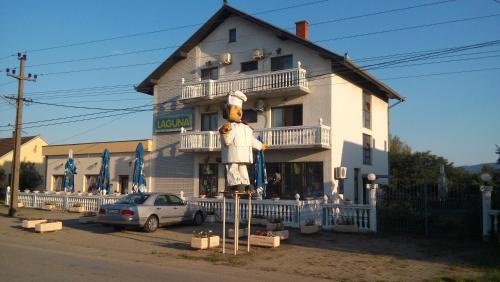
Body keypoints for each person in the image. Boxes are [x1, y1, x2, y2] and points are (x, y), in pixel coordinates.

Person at [219, 90, 268, 193]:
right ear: (228, 111)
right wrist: (225, 132)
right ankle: (235, 184)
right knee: (233, 168)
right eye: (236, 108)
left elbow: (251, 140)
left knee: (243, 169)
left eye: (240, 109)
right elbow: (227, 141)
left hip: (243, 152)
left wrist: (260, 145)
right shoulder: (229, 126)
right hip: (232, 152)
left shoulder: (245, 127)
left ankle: (246, 184)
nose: (239, 111)